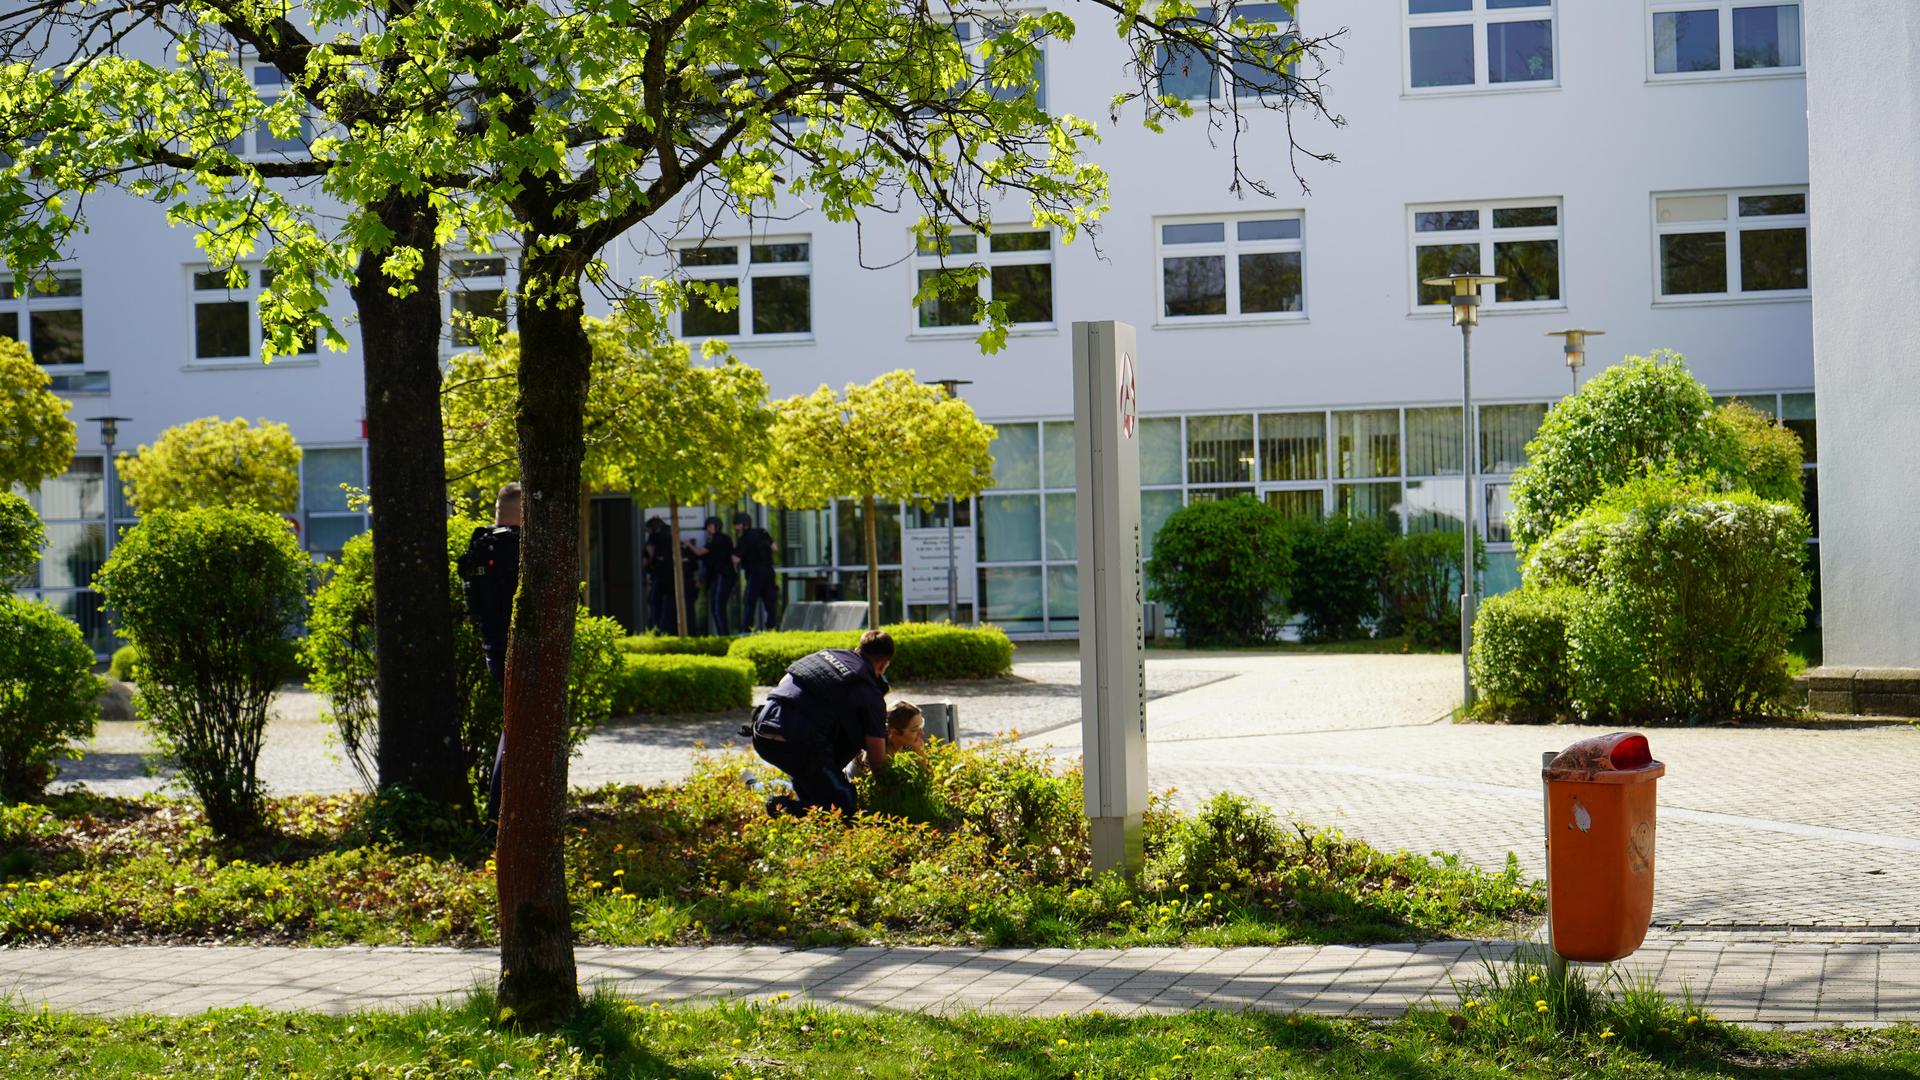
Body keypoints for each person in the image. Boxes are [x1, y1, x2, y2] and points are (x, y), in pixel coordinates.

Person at [750, 629, 897, 816]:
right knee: (843, 806)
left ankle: (807, 796)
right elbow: (877, 760)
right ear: (884, 665)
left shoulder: (826, 655)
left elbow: (786, 681)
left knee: (817, 785)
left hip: (762, 731)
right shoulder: (869, 694)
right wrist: (892, 791)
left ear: (857, 648)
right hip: (794, 745)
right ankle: (781, 809)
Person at [456, 482, 521, 826]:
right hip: (519, 651)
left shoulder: (479, 546)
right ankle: (499, 817)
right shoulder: (516, 548)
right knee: (517, 732)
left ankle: (501, 816)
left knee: (513, 729)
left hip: (492, 649)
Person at [685, 515, 736, 635]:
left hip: (722, 576)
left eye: (710, 526)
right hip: (719, 576)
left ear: (716, 526)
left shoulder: (718, 539)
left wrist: (688, 545)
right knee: (716, 607)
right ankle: (722, 634)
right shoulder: (720, 539)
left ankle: (724, 635)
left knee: (718, 607)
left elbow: (700, 552)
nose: (708, 529)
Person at [733, 511, 778, 632]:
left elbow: (736, 559)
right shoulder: (762, 532)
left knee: (749, 602)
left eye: (737, 524)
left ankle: (747, 630)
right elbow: (774, 548)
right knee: (769, 602)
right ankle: (771, 628)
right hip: (769, 572)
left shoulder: (743, 539)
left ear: (743, 525)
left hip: (755, 573)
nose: (735, 527)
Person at [642, 515, 674, 632]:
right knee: (658, 603)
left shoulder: (661, 539)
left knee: (657, 603)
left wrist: (651, 557)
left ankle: (657, 628)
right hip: (662, 576)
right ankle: (658, 628)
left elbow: (652, 557)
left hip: (662, 576)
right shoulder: (662, 536)